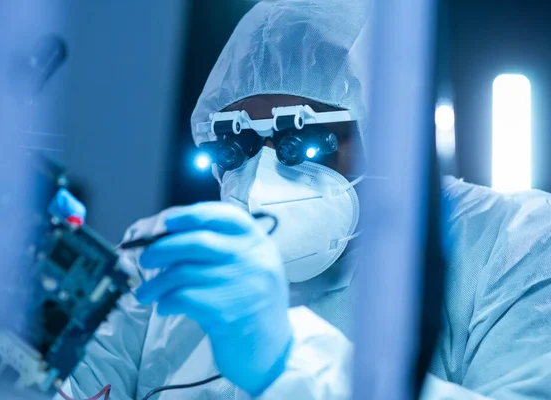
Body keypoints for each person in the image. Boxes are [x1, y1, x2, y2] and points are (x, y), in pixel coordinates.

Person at [58, 0, 551, 399]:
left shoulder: (511, 242)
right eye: (240, 147)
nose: (261, 177)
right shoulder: (168, 266)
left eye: (305, 143)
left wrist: (284, 359)